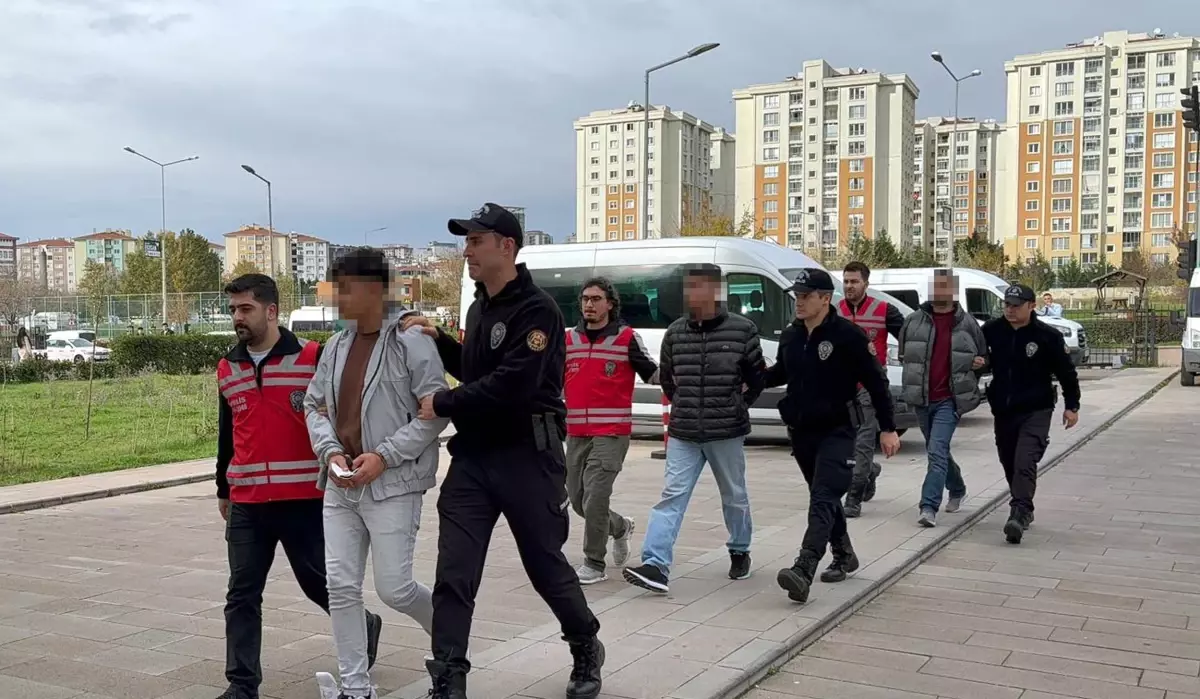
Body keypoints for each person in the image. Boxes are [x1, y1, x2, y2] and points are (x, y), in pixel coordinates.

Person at [403, 203, 604, 699]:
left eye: (475, 241)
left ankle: (585, 644)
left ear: (506, 247)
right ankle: (448, 678)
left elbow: (514, 383)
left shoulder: (538, 311)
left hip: (526, 458)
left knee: (544, 566)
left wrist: (442, 401)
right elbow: (480, 370)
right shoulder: (479, 307)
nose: (466, 250)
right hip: (473, 459)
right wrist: (442, 341)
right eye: (466, 241)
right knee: (454, 572)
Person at [215, 274, 381, 699]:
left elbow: (340, 418)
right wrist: (222, 489)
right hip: (248, 502)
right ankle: (242, 684)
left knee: (320, 584)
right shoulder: (227, 367)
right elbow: (227, 433)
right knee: (242, 594)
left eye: (246, 308)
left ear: (271, 311)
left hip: (306, 499)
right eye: (233, 309)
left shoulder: (313, 358)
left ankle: (363, 625)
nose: (238, 317)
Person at [303, 249, 449, 699]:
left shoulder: (410, 340)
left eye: (343, 286)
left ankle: (450, 645)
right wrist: (329, 453)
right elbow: (314, 404)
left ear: (373, 288)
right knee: (341, 587)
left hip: (392, 484)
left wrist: (383, 456)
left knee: (396, 589)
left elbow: (436, 412)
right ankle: (355, 686)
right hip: (341, 483)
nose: (335, 296)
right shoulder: (337, 345)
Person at [622, 263, 763, 595]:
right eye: (688, 287)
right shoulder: (675, 332)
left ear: (716, 291)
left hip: (726, 430)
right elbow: (668, 380)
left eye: (698, 287)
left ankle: (739, 548)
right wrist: (684, 404)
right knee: (671, 496)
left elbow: (757, 380)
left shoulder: (743, 330)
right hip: (684, 431)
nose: (690, 294)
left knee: (734, 495)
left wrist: (737, 407)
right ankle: (655, 564)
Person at [764, 268, 900, 604]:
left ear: (825, 298)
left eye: (806, 296)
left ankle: (804, 567)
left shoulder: (848, 336)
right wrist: (748, 378)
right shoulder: (792, 336)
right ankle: (844, 554)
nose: (799, 301)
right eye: (797, 296)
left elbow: (876, 383)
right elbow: (781, 372)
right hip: (801, 431)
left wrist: (888, 427)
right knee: (824, 497)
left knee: (823, 497)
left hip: (838, 430)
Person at [565, 277, 658, 584]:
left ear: (610, 304)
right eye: (585, 299)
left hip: (612, 433)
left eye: (595, 299)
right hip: (577, 433)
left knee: (595, 499)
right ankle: (620, 527)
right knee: (577, 501)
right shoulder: (569, 341)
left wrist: (680, 369)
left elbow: (653, 373)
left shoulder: (626, 338)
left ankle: (594, 562)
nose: (589, 304)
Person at [983, 283, 1080, 544]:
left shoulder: (1047, 336)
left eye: (1016, 306)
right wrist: (978, 365)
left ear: (1032, 306)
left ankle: (1019, 512)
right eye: (1007, 305)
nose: (1010, 310)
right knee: (1009, 461)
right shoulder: (992, 331)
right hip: (1003, 409)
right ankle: (1024, 504)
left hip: (1037, 408)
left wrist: (1072, 406)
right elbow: (979, 360)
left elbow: (1066, 372)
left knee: (1025, 459)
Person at [898, 269, 988, 528]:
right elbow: (906, 356)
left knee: (936, 451)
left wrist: (978, 363)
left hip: (950, 399)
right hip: (922, 398)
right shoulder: (913, 320)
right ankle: (957, 487)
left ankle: (928, 506)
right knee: (937, 450)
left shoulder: (967, 323)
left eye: (945, 286)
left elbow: (983, 357)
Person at [838, 261, 906, 517]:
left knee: (863, 442)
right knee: (845, 444)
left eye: (854, 282)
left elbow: (908, 339)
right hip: (842, 386)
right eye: (846, 281)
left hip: (870, 386)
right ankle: (870, 471)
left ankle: (853, 497)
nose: (849, 286)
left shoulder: (885, 310)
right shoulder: (835, 310)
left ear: (866, 283)